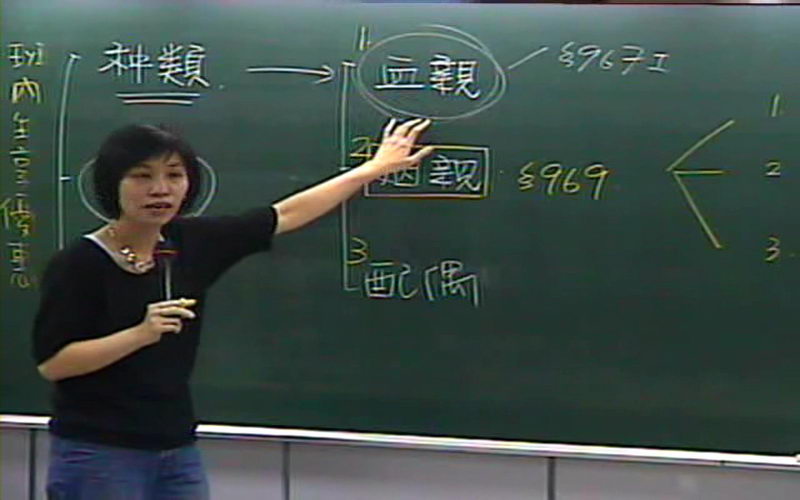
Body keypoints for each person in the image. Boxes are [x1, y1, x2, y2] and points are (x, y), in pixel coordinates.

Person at [32, 118, 433, 499]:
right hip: (100, 451)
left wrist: (373, 169)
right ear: (112, 183)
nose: (161, 189)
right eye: (142, 176)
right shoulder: (80, 263)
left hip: (176, 446)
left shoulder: (190, 243)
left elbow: (286, 214)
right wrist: (140, 334)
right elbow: (55, 363)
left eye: (174, 175)